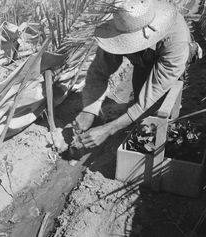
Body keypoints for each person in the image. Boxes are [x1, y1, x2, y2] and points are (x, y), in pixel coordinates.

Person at [74, 0, 194, 149]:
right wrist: (89, 110)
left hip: (171, 59)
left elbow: (151, 96)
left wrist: (110, 129)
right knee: (139, 101)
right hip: (143, 60)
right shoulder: (121, 24)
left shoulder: (176, 40)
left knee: (158, 111)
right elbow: (99, 72)